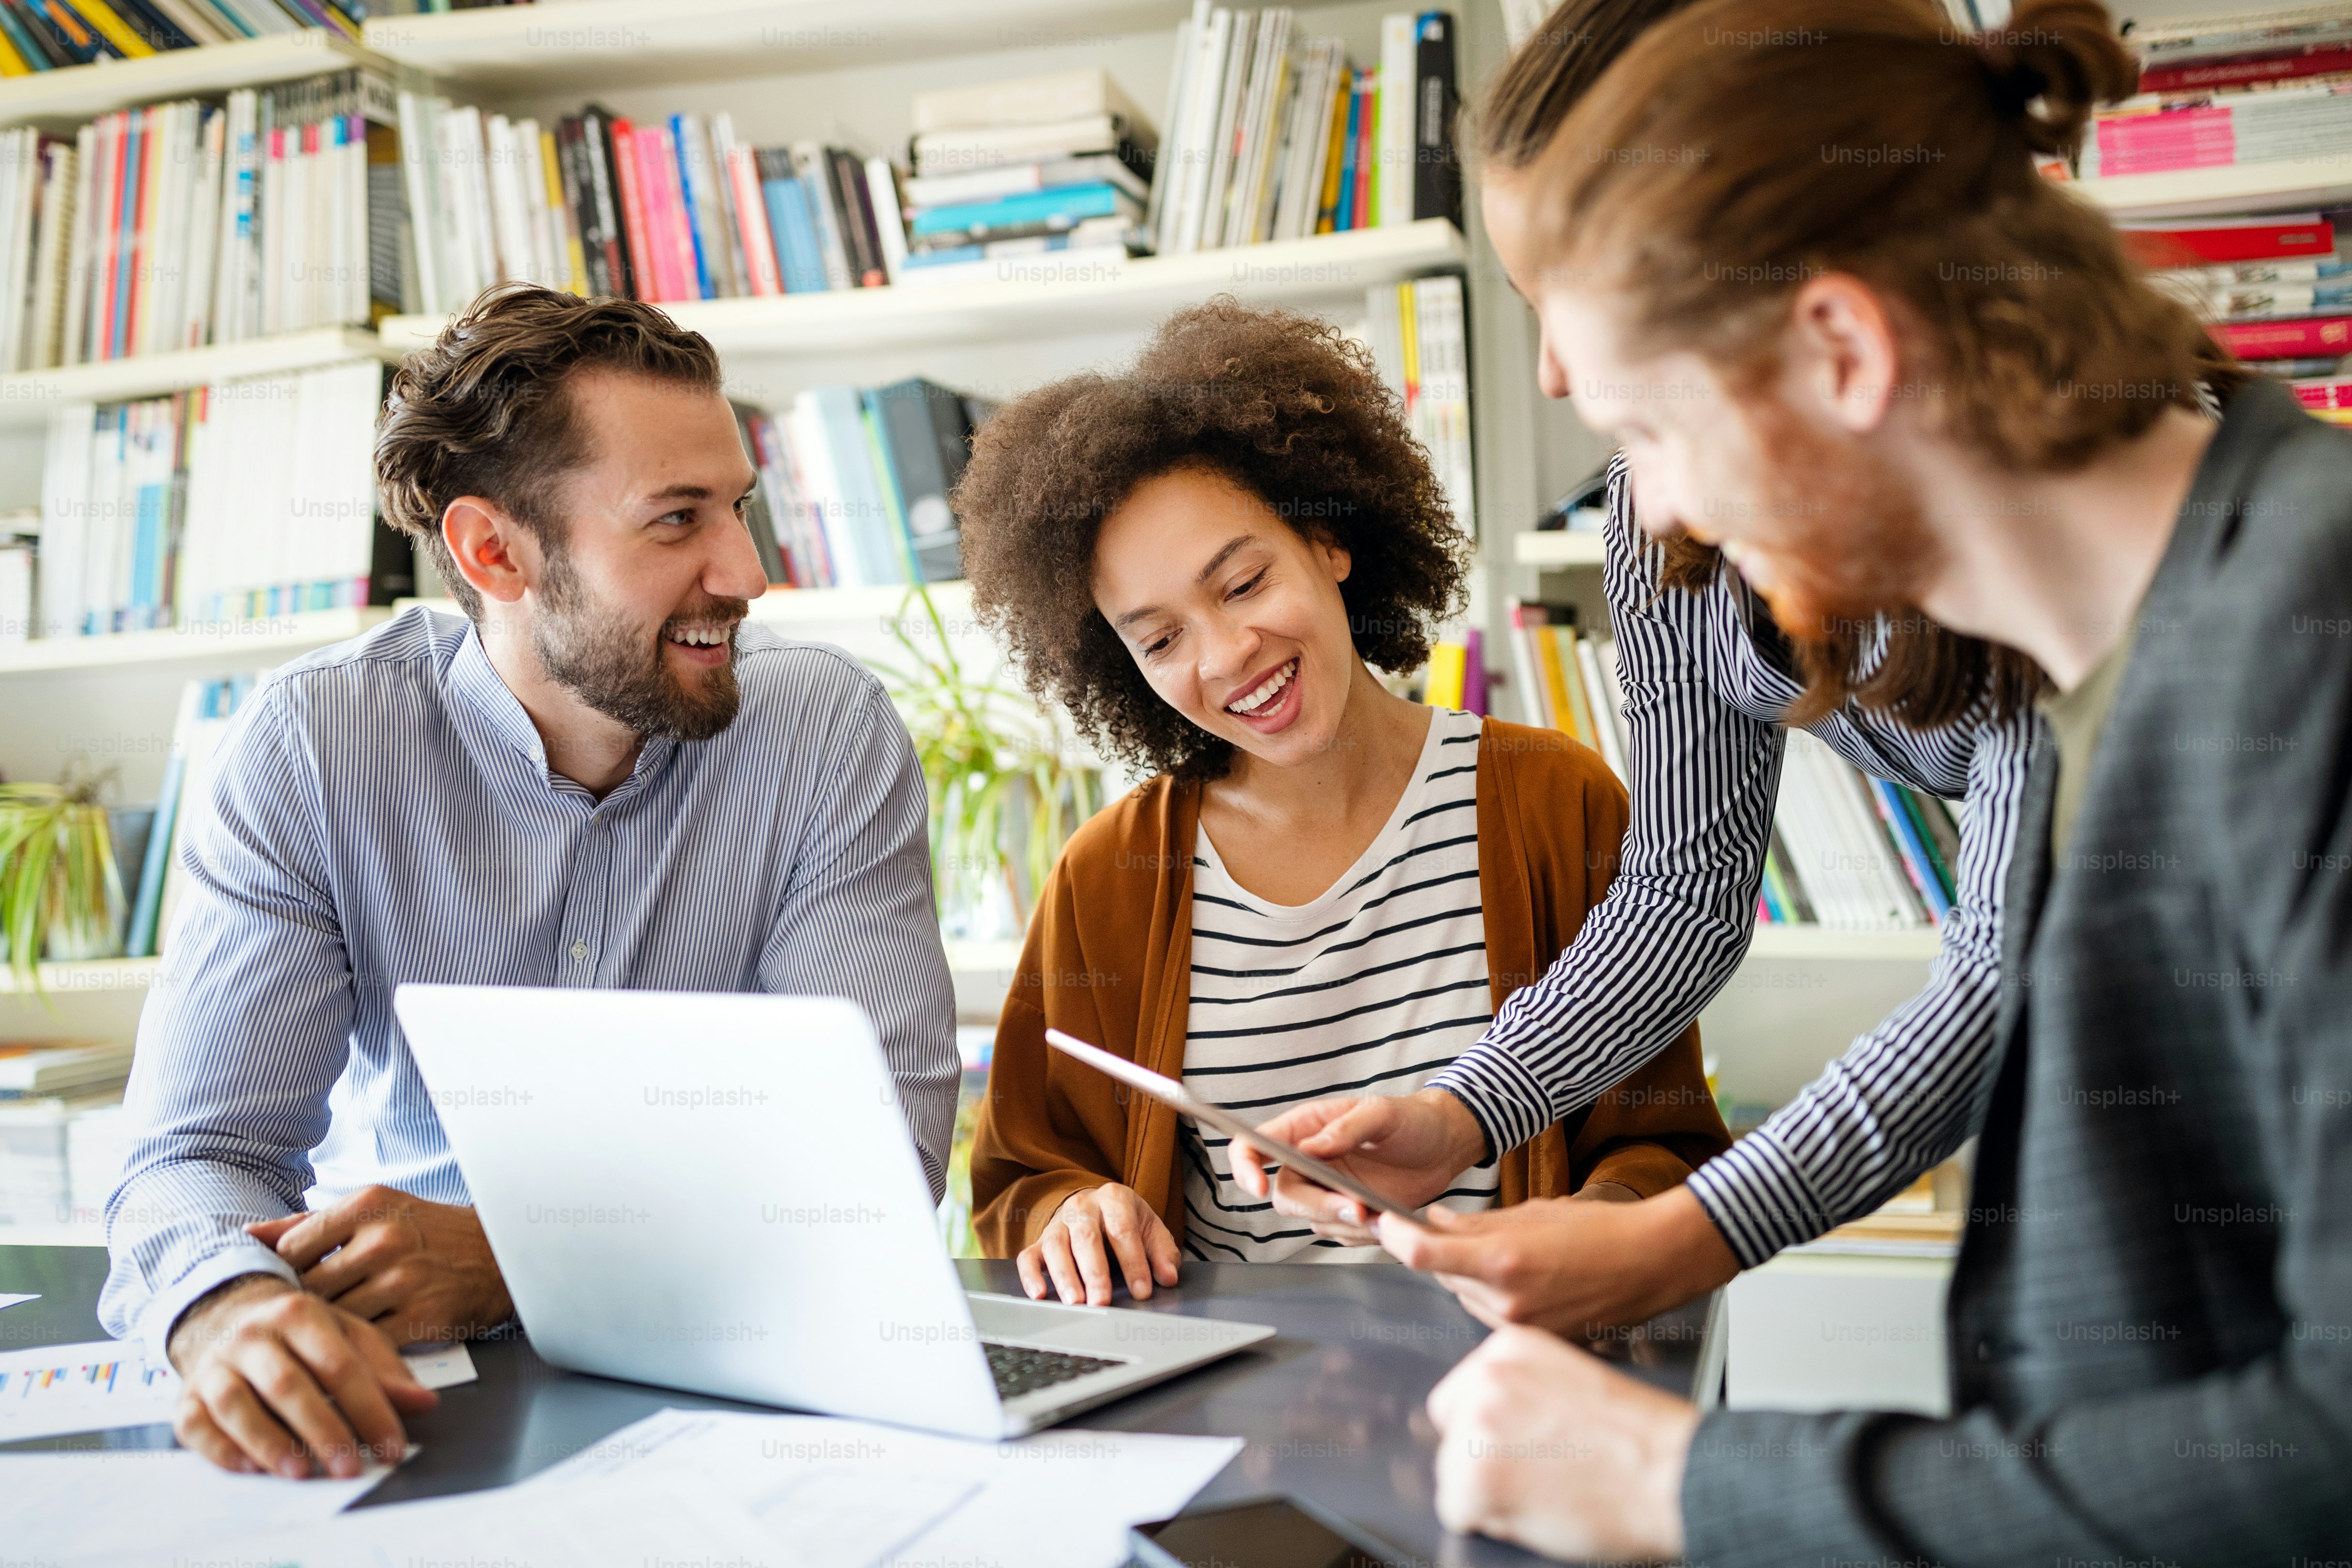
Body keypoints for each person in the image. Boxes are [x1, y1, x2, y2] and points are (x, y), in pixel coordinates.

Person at [1416, 0, 2352, 1560]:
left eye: (1650, 428)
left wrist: (1679, 1481)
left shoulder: (2307, 649)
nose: (1665, 510)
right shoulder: (2101, 674)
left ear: (1844, 348)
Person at [1231, 0, 2040, 1339]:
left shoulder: (2073, 534)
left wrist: (1679, 1237)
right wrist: (1461, 1109)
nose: (1550, 375)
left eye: (1571, 304)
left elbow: (2002, 971)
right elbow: (1682, 887)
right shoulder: (1657, 511)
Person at [100, 284, 959, 1479]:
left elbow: (880, 1155)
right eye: (677, 521)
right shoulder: (314, 746)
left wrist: (524, 1249)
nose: (747, 573)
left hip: (737, 1383)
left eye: (738, 510)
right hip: (415, 1392)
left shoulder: (825, 731)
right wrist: (227, 1307)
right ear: (493, 550)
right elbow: (198, 1147)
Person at [952, 301, 1730, 1305]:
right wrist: (1071, 1211)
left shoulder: (1555, 801)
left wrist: (1598, 1222)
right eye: (1158, 639)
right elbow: (1023, 1175)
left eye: (1240, 582)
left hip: (1513, 1373)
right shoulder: (1109, 875)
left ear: (1326, 539)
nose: (1224, 656)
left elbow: (1661, 1141)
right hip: (1230, 1401)